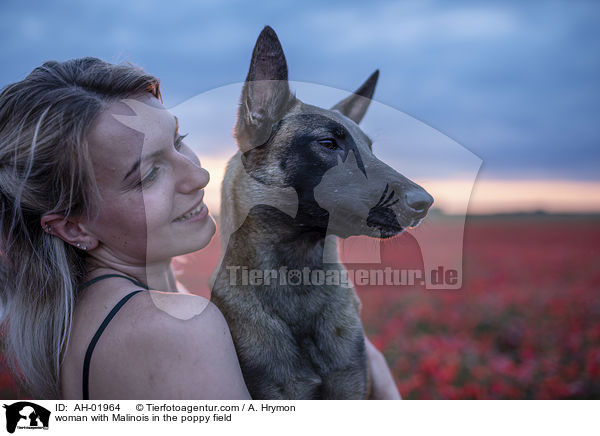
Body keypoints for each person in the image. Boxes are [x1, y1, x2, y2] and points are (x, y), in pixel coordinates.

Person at [0, 58, 400, 400]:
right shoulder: (181, 327)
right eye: (149, 174)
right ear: (72, 227)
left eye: (179, 140)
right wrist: (381, 390)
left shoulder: (77, 321)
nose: (199, 174)